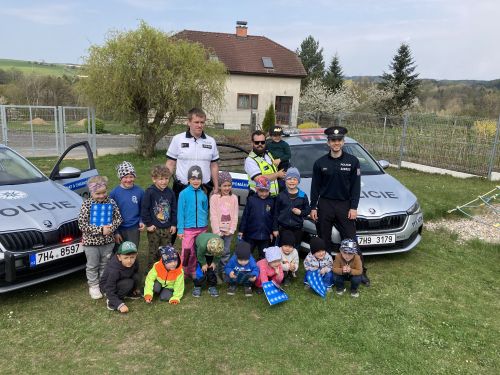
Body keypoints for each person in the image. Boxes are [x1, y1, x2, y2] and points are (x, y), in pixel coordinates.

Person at [309, 126, 370, 286]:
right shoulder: (320, 163)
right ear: (328, 142)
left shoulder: (352, 161)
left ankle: (361, 271)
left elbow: (356, 187)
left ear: (343, 142)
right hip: (325, 204)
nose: (336, 143)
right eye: (333, 140)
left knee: (351, 239)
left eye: (339, 140)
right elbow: (315, 187)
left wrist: (353, 207)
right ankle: (328, 271)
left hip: (345, 205)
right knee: (324, 240)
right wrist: (313, 207)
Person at [78, 175, 123, 300]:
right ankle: (93, 285)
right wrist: (100, 230)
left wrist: (111, 228)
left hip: (108, 242)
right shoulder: (87, 205)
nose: (102, 196)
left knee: (105, 263)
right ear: (91, 192)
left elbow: (118, 218)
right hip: (91, 243)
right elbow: (82, 224)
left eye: (104, 192)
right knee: (93, 265)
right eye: (98, 193)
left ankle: (103, 283)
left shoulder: (111, 202)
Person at [166, 107, 220, 197]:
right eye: (196, 122)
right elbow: (170, 163)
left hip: (204, 188)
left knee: (202, 211)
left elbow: (214, 166)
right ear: (189, 122)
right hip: (182, 188)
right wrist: (165, 183)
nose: (199, 125)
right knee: (180, 211)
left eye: (202, 122)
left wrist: (216, 187)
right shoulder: (178, 139)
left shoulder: (211, 141)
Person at [141, 165, 177, 273]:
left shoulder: (170, 192)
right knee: (153, 252)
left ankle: (165, 272)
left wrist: (174, 224)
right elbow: (145, 209)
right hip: (154, 229)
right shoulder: (150, 191)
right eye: (161, 179)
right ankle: (151, 274)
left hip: (167, 228)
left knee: (166, 252)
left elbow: (174, 209)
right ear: (154, 179)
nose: (164, 182)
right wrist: (148, 224)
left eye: (166, 178)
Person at [177, 165, 209, 279]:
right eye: (193, 179)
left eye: (198, 179)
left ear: (201, 180)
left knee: (197, 250)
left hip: (201, 228)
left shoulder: (203, 194)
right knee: (187, 251)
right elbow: (180, 212)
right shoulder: (183, 194)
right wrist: (180, 229)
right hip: (188, 228)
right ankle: (183, 271)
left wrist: (205, 225)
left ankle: (193, 269)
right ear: (189, 180)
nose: (196, 181)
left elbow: (205, 210)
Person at [209, 171, 238, 278]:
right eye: (224, 186)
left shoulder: (234, 198)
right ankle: (215, 273)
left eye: (229, 185)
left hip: (229, 231)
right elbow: (213, 215)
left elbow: (235, 215)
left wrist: (231, 230)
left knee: (226, 252)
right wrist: (217, 231)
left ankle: (224, 271)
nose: (227, 188)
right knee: (216, 252)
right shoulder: (214, 198)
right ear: (219, 186)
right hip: (218, 231)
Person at [272, 167, 311, 249]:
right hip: (283, 227)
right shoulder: (281, 196)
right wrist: (275, 228)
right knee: (282, 247)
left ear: (298, 181)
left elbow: (307, 210)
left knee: (295, 248)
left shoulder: (302, 195)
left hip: (297, 228)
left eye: (295, 179)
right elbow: (275, 213)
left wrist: (300, 212)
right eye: (289, 179)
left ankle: (294, 261)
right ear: (285, 181)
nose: (292, 181)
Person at [109, 161, 145, 249]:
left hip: (134, 228)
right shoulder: (114, 193)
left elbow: (143, 208)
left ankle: (133, 263)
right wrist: (115, 232)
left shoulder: (140, 192)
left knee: (132, 249)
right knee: (120, 251)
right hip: (119, 228)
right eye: (125, 177)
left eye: (131, 176)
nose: (128, 180)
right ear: (120, 178)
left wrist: (142, 221)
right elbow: (111, 214)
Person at [238, 176, 275, 260]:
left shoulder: (271, 201)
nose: (264, 194)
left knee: (264, 256)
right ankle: (245, 269)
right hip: (251, 234)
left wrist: (271, 232)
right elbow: (245, 216)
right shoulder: (251, 200)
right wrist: (241, 230)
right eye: (261, 191)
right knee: (246, 253)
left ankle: (262, 271)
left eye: (266, 191)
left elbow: (273, 218)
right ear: (256, 189)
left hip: (265, 235)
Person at [100, 241, 141, 313]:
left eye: (132, 257)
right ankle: (112, 301)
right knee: (128, 283)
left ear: (136, 255)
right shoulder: (114, 270)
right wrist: (119, 305)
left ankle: (129, 293)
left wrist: (135, 288)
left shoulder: (135, 261)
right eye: (126, 258)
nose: (129, 261)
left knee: (136, 276)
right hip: (108, 286)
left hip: (121, 278)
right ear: (119, 257)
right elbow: (109, 288)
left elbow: (135, 271)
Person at [244, 130, 285, 198]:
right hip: (258, 198)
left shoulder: (268, 154)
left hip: (272, 197)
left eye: (262, 142)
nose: (260, 144)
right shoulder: (250, 160)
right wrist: (278, 174)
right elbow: (260, 180)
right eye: (257, 142)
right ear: (252, 143)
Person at [192, 233, 225, 298]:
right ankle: (197, 286)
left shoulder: (221, 245)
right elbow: (200, 255)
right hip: (200, 248)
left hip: (211, 249)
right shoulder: (202, 246)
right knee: (200, 268)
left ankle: (212, 286)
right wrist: (203, 264)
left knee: (211, 268)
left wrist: (214, 262)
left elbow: (219, 255)